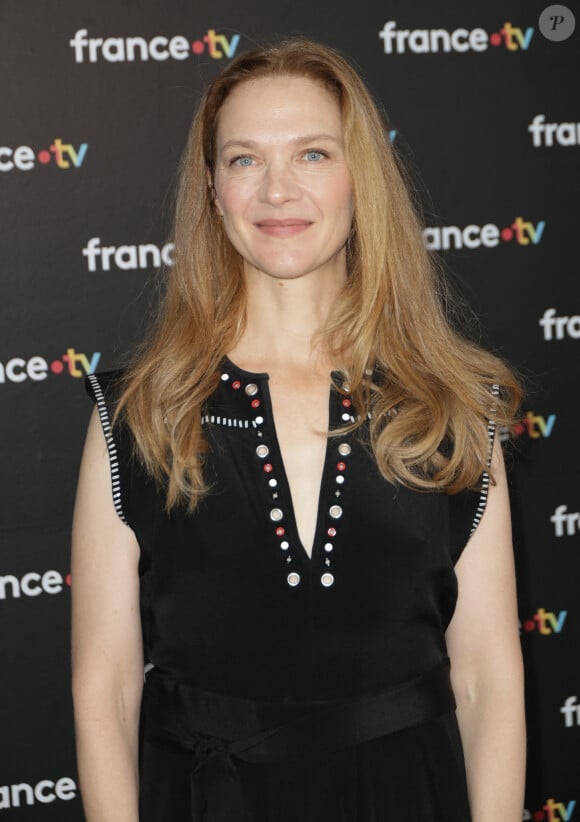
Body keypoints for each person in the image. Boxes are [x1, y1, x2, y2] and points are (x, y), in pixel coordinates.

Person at [71, 38, 526, 822]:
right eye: (245, 160)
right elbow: (104, 690)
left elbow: (487, 676)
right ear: (212, 190)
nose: (278, 190)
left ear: (361, 183)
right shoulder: (140, 411)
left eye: (313, 154)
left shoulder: (450, 403)